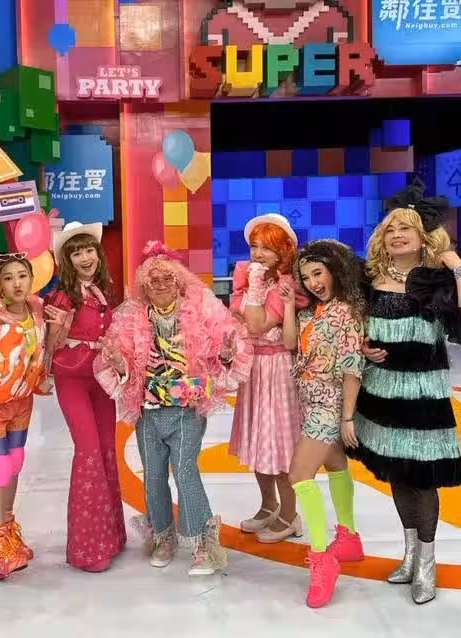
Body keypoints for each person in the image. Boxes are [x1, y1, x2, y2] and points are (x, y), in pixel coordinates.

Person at [346, 181, 461, 604]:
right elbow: (355, 326)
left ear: (424, 237)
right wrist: (364, 345)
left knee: (422, 479)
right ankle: (409, 555)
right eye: (390, 228)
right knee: (397, 474)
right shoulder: (370, 277)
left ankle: (427, 565)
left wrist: (456, 264)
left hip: (422, 394)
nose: (396, 235)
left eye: (406, 228)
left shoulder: (437, 280)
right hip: (380, 393)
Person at [94, 241, 253, 575]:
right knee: (152, 476)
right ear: (144, 285)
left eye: (168, 278)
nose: (161, 285)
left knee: (184, 471)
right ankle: (163, 536)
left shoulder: (200, 312)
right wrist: (119, 363)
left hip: (186, 411)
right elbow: (124, 365)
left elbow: (222, 355)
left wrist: (225, 355)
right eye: (153, 280)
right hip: (148, 411)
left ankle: (202, 544)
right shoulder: (133, 317)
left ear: (180, 282)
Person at [0, 253, 68, 580]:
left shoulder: (37, 309)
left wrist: (57, 328)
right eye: (8, 278)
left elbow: (43, 352)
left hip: (20, 402)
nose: (17, 284)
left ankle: (10, 533)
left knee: (14, 465)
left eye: (22, 276)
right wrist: (14, 333)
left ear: (31, 279)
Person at [282, 240, 365, 608]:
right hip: (309, 400)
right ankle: (349, 538)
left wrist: (347, 417)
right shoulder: (312, 313)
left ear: (335, 270)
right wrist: (289, 303)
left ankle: (322, 560)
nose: (313, 282)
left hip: (329, 406)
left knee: (299, 475)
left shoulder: (347, 313)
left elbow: (352, 368)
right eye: (306, 277)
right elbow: (290, 343)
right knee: (334, 465)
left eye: (318, 273)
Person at [45, 221, 127, 573]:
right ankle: (87, 548)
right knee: (89, 452)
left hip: (101, 377)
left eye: (88, 250)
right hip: (73, 378)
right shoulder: (62, 296)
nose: (84, 257)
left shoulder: (102, 290)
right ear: (67, 260)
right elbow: (51, 347)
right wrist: (58, 330)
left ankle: (111, 536)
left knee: (107, 449)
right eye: (76, 252)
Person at [228, 214, 307, 542]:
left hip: (278, 371)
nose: (258, 253)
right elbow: (238, 319)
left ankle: (290, 514)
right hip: (254, 369)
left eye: (267, 247)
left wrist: (256, 283)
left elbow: (257, 324)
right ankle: (268, 505)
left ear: (283, 250)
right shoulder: (248, 278)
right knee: (259, 441)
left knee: (281, 445)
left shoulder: (286, 284)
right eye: (254, 246)